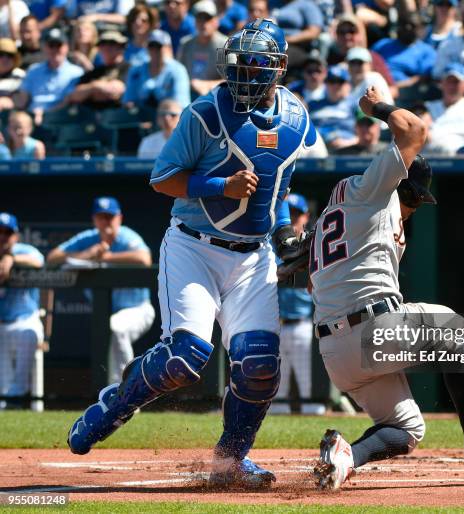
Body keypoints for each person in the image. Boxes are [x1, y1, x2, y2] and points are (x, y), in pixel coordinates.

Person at [67, 18, 317, 488]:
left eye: (255, 66)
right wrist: (220, 184)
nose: (243, 74)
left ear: (279, 67)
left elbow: (279, 185)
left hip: (252, 255)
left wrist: (284, 231)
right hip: (194, 246)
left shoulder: (296, 117)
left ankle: (230, 461)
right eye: (239, 65)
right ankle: (117, 404)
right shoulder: (204, 113)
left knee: (259, 363)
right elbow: (163, 178)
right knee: (184, 359)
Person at [310, 86, 464, 490]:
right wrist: (377, 108)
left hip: (335, 354)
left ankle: (348, 458)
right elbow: (414, 130)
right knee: (454, 328)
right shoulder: (375, 190)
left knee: (406, 427)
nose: (415, 207)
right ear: (406, 188)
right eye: (415, 198)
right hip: (371, 328)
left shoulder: (336, 215)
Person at [47, 197, 155, 385]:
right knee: (110, 333)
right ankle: (115, 391)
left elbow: (144, 258)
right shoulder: (89, 238)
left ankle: (128, 389)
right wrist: (87, 254)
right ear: (94, 219)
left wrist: (106, 256)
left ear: (119, 218)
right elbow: (52, 258)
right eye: (101, 217)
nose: (106, 222)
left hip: (138, 309)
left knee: (117, 328)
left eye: (110, 217)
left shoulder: (127, 236)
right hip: (105, 313)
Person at [271, 193, 325, 415]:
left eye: (297, 214)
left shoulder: (314, 244)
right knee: (278, 392)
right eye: (289, 214)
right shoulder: (274, 245)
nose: (293, 218)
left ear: (306, 216)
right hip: (277, 323)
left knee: (309, 390)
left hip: (303, 322)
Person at [0, 212, 44, 409]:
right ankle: (7, 400)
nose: (2, 236)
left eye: (7, 232)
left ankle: (15, 396)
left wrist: (11, 258)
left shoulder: (23, 250)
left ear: (15, 235)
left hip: (26, 319)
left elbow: (39, 261)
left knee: (29, 334)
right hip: (2, 324)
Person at [14, 28, 83, 124]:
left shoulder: (77, 73)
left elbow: (68, 101)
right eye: (51, 45)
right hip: (32, 119)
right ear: (44, 48)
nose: (55, 50)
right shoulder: (33, 70)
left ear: (67, 47)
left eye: (58, 45)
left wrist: (45, 114)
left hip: (61, 119)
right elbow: (22, 99)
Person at [122, 29, 190, 109]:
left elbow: (181, 105)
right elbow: (128, 100)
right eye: (151, 46)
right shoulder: (136, 70)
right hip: (141, 117)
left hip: (169, 117)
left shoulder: (178, 70)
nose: (154, 50)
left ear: (168, 48)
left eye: (158, 46)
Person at [65, 30, 130, 110]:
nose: (106, 48)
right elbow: (74, 95)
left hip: (118, 116)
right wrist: (95, 87)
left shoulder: (128, 68)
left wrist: (90, 91)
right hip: (91, 118)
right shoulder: (96, 71)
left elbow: (117, 91)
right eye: (102, 45)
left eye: (111, 44)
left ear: (121, 47)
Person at [371, 12, 437, 90]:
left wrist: (394, 87)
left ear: (420, 29)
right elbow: (367, 63)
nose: (407, 28)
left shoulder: (426, 51)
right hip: (376, 86)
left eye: (412, 26)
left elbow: (423, 78)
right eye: (404, 24)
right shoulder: (383, 44)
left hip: (406, 93)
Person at [425, 62, 464, 155]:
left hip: (459, 161)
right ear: (441, 83)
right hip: (428, 159)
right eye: (448, 81)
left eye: (456, 82)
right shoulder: (427, 107)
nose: (451, 86)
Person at [177, 0, 227, 97]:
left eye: (207, 18)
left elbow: (231, 81)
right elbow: (179, 75)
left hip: (215, 96)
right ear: (195, 21)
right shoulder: (186, 44)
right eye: (200, 18)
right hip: (187, 94)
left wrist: (206, 85)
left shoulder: (225, 45)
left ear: (216, 21)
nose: (204, 23)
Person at [307, 65, 358, 151]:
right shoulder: (312, 105)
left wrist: (349, 142)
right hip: (317, 150)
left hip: (350, 149)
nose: (335, 85)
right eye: (331, 81)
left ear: (348, 84)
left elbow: (367, 132)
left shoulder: (356, 104)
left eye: (340, 81)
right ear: (325, 84)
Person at [0, 38, 24, 112]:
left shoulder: (20, 76)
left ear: (15, 58)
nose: (5, 59)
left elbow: (22, 101)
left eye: (9, 55)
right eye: (1, 54)